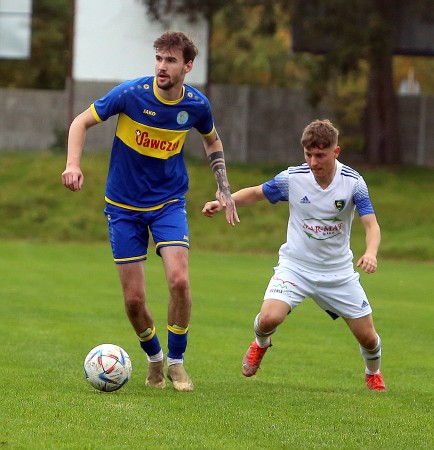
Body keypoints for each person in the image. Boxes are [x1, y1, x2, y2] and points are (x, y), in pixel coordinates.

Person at [62, 31, 239, 392]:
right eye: (159, 58)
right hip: (123, 208)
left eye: (171, 60)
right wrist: (73, 164)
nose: (162, 66)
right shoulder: (131, 94)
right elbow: (80, 122)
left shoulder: (197, 105)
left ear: (188, 66)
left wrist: (223, 186)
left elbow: (212, 140)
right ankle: (154, 358)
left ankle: (176, 362)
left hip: (168, 204)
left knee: (179, 280)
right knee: (134, 300)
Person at [203, 119, 386, 391]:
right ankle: (261, 344)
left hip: (337, 273)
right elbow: (256, 193)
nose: (313, 162)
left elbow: (371, 225)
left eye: (320, 155)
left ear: (336, 152)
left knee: (368, 338)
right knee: (268, 319)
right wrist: (223, 202)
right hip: (296, 267)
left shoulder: (353, 183)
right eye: (308, 154)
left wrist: (370, 253)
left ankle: (373, 372)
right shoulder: (293, 178)